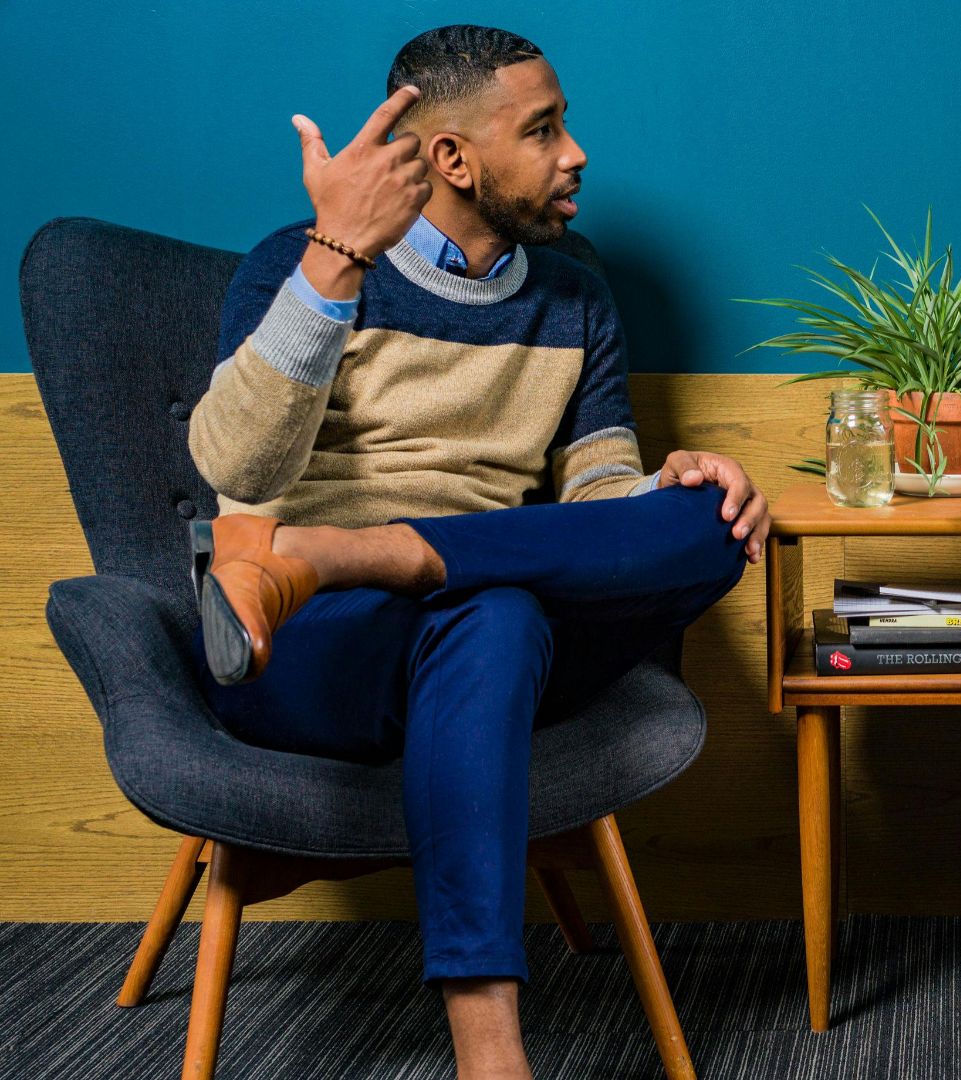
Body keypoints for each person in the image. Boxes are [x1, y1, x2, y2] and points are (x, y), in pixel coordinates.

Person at [186, 25, 772, 1080]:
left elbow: (596, 494)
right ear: (453, 157)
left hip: (471, 619)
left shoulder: (575, 299)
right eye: (542, 130)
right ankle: (493, 1058)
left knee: (708, 525)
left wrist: (659, 492)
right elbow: (232, 466)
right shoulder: (300, 260)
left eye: (566, 124)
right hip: (306, 643)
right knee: (499, 610)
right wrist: (334, 261)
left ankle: (345, 551)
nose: (576, 152)